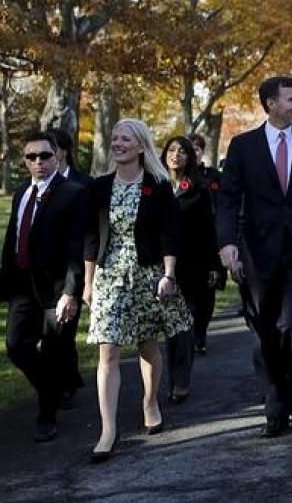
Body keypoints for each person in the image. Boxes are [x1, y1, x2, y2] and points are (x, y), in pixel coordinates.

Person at [216, 75, 292, 438]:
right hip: (258, 250)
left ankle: (289, 388)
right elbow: (229, 199)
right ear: (270, 104)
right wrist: (227, 243)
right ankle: (278, 396)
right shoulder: (243, 146)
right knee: (266, 329)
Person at [83, 118, 191, 462]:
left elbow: (169, 234)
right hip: (110, 276)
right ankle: (108, 429)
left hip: (147, 275)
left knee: (147, 344)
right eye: (114, 138)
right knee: (108, 351)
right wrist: (87, 283)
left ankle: (149, 400)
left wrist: (169, 274)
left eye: (125, 139)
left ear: (141, 146)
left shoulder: (157, 186)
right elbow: (90, 238)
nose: (117, 144)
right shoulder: (99, 187)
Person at [0, 131, 88, 442]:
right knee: (15, 345)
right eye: (31, 157)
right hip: (23, 287)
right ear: (24, 161)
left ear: (58, 157)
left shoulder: (73, 192)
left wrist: (71, 291)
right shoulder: (22, 191)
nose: (39, 162)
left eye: (45, 156)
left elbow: (77, 247)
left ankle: (46, 416)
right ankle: (55, 386)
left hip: (56, 289)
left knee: (53, 351)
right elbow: (13, 238)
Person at [160, 136, 222, 401]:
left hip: (193, 263)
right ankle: (167, 376)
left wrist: (214, 266)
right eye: (171, 151)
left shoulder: (199, 187)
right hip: (161, 265)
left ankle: (180, 379)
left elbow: (210, 228)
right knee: (166, 324)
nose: (176, 156)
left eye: (182, 151)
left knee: (185, 322)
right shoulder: (154, 185)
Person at [47, 127, 92, 407]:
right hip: (43, 272)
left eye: (50, 149)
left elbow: (89, 233)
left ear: (62, 151)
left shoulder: (83, 184)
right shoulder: (34, 186)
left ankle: (63, 387)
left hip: (71, 270)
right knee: (49, 335)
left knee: (62, 331)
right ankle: (69, 375)